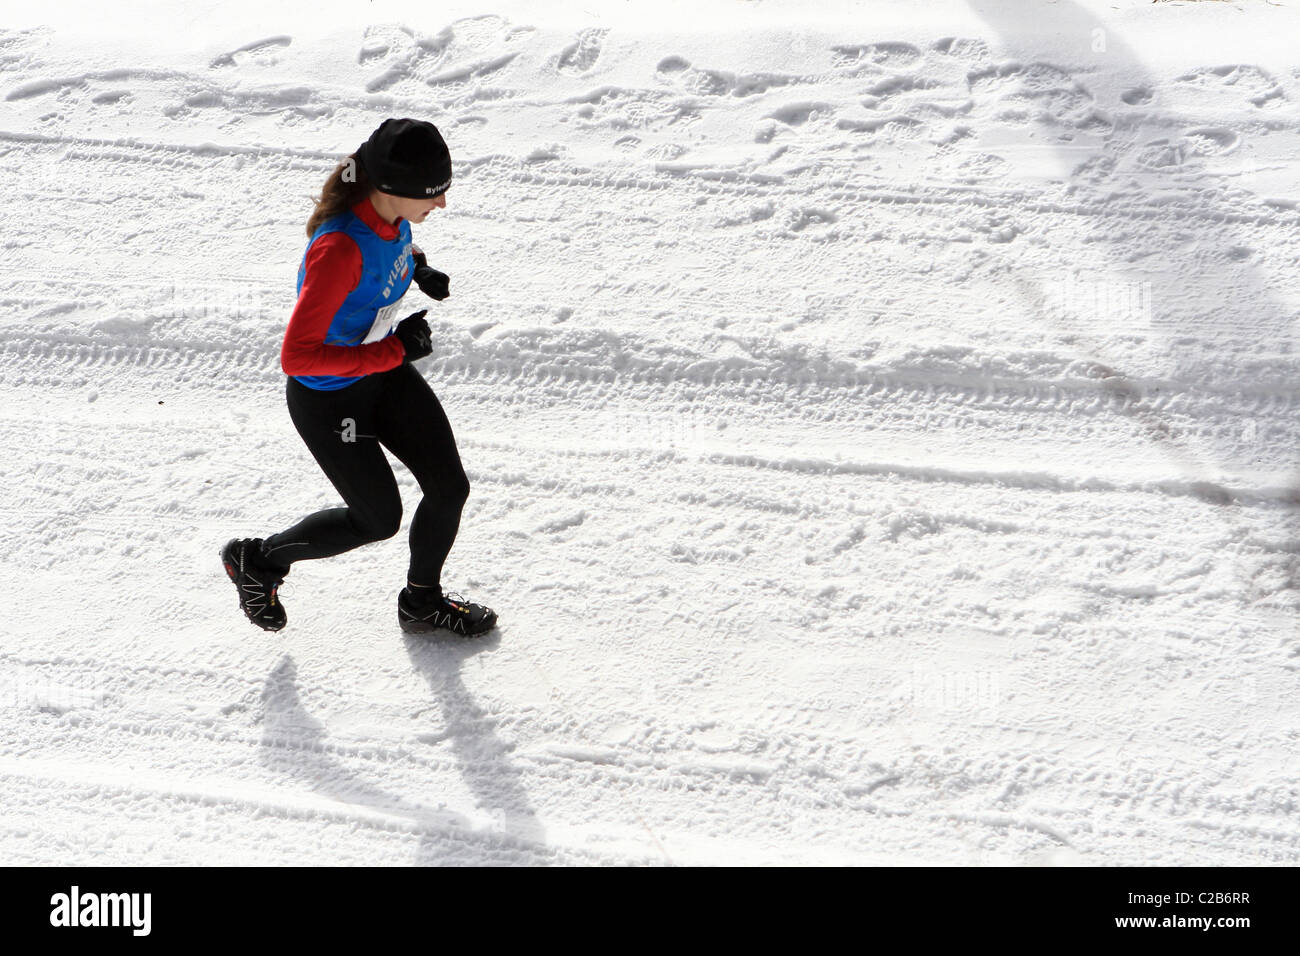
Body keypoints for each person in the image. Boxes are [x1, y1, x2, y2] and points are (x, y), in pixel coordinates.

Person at [221, 117, 497, 637]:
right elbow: (298, 356)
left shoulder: (391, 217)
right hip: (330, 398)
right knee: (377, 520)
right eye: (433, 195)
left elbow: (393, 248)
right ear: (391, 188)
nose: (441, 205)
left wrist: (419, 269)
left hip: (381, 370)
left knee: (448, 487)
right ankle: (258, 560)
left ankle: (421, 602)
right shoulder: (337, 249)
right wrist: (394, 350)